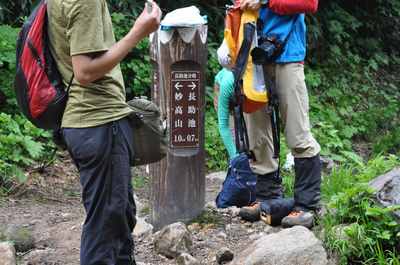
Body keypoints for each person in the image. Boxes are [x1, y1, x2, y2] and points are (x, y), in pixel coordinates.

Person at [46, 0, 162, 264]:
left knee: (120, 216)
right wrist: (137, 33)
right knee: (107, 223)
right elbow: (85, 71)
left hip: (88, 124)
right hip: (97, 122)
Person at [235, 0, 322, 229]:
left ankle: (307, 205)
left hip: (288, 57)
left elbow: (309, 4)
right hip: (253, 56)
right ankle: (268, 196)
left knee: (297, 129)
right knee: (256, 130)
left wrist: (265, 1)